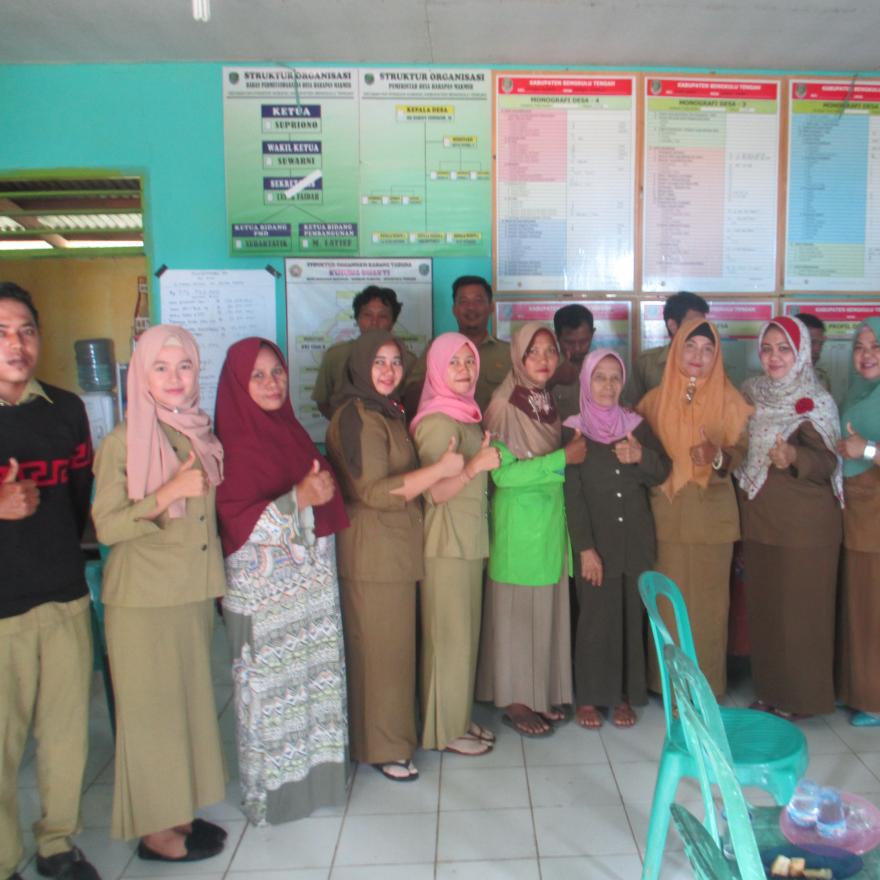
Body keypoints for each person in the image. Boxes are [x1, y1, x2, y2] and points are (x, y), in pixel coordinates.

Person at [92, 325, 228, 862]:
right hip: (143, 600)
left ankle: (178, 812)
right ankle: (155, 833)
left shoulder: (196, 430)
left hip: (189, 592)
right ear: (140, 375)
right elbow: (107, 525)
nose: (174, 378)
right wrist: (167, 492)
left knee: (185, 709)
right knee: (150, 716)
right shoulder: (123, 441)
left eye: (184, 366)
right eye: (161, 368)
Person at [214, 337, 350, 823]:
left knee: (315, 689)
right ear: (237, 384)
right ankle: (272, 797)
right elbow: (236, 524)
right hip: (267, 606)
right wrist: (299, 498)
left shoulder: (291, 432)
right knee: (272, 701)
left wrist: (312, 495)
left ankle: (320, 784)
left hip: (310, 596)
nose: (272, 383)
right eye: (258, 375)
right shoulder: (231, 446)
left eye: (277, 372)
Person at [325, 329, 464, 781]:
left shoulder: (385, 411)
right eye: (379, 362)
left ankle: (391, 739)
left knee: (393, 651)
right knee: (379, 654)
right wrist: (439, 470)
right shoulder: (357, 416)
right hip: (373, 553)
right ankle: (382, 748)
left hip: (393, 550)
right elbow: (374, 491)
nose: (389, 371)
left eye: (396, 362)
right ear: (360, 366)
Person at [0, 283, 101, 880]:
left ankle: (57, 844)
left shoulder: (66, 409)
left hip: (64, 594)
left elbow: (78, 500)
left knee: (65, 735)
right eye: (2, 333)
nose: (16, 344)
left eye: (26, 331)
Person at [476, 322, 587, 737]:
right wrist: (562, 460)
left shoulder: (545, 398)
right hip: (520, 524)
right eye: (533, 352)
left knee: (544, 611)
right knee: (517, 615)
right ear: (518, 357)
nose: (543, 360)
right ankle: (516, 700)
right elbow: (502, 475)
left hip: (549, 521)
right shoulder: (504, 403)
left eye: (549, 351)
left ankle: (539, 693)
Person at [637, 318, 752, 697]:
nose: (698, 356)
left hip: (711, 520)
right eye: (690, 346)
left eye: (707, 349)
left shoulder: (732, 401)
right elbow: (642, 457)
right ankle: (667, 686)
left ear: (717, 355)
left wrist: (716, 455)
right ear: (676, 349)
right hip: (664, 517)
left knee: (708, 609)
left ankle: (704, 687)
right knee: (666, 604)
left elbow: (741, 453)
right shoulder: (652, 402)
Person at [736, 316, 843, 718]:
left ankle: (803, 699)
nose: (774, 357)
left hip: (806, 530)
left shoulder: (817, 400)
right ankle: (770, 691)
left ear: (801, 354)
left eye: (784, 349)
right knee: (766, 612)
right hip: (761, 520)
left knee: (802, 616)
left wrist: (794, 455)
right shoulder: (752, 392)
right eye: (767, 348)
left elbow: (829, 462)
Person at [563, 349, 670, 729]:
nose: (608, 386)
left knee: (629, 618)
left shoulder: (636, 425)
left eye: (615, 378)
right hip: (597, 542)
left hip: (634, 539)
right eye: (599, 377)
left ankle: (625, 695)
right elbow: (571, 494)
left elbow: (662, 471)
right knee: (595, 620)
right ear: (586, 381)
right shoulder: (574, 429)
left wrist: (640, 456)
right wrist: (585, 549)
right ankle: (590, 697)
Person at [410, 333, 501, 755]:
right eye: (454, 362)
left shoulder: (465, 414)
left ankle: (457, 720)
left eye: (469, 361)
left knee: (463, 639)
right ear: (437, 368)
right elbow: (434, 492)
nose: (464, 370)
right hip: (445, 545)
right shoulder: (436, 422)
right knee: (447, 641)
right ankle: (443, 732)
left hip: (467, 542)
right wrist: (473, 467)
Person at [835, 317, 880, 726]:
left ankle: (875, 701)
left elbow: (863, 449)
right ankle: (857, 690)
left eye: (875, 347)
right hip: (857, 515)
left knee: (873, 610)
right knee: (859, 606)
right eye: (860, 347)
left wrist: (865, 449)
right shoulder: (859, 391)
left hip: (875, 519)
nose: (866, 355)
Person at [403, 276, 511, 415]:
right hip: (450, 427)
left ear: (491, 307)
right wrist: (436, 374)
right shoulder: (436, 349)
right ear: (454, 309)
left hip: (496, 428)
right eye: (464, 301)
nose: (471, 307)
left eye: (478, 301)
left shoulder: (509, 352)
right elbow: (409, 398)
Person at [311, 285, 416, 420]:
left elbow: (412, 405)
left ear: (392, 322)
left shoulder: (407, 360)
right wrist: (344, 423)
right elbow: (323, 401)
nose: (374, 322)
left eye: (383, 316)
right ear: (357, 318)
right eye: (367, 315)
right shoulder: (336, 355)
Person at [624, 291, 709, 407]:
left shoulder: (710, 362)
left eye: (702, 324)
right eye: (693, 324)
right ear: (672, 326)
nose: (699, 330)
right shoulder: (647, 363)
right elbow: (631, 408)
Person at [548, 304, 595, 421]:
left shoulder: (605, 366)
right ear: (556, 336)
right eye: (569, 343)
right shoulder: (542, 368)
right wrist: (553, 380)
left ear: (592, 334)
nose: (577, 348)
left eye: (583, 341)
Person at [795, 312, 832, 392]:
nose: (817, 349)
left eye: (821, 343)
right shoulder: (772, 381)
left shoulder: (821, 379)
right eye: (811, 342)